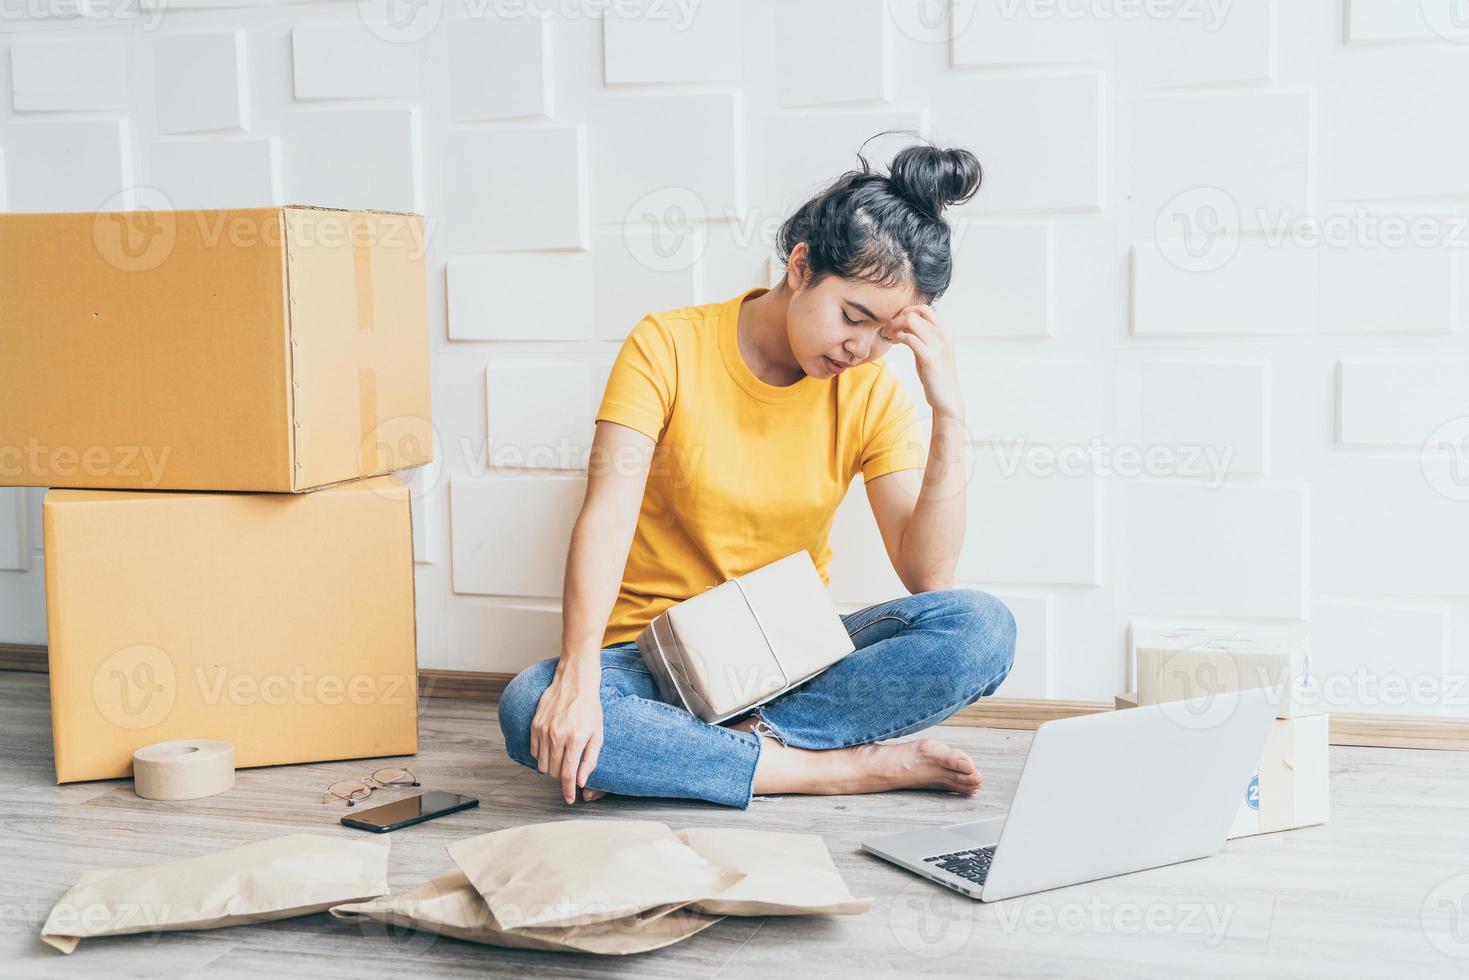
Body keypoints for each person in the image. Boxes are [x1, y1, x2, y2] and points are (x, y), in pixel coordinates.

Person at [498, 135, 1016, 809]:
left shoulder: (869, 390)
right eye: (853, 317)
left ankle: (707, 753)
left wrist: (946, 412)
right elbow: (606, 515)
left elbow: (927, 579)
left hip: (794, 662)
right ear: (800, 266)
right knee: (527, 704)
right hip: (656, 662)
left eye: (887, 336)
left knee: (981, 627)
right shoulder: (667, 344)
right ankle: (840, 768)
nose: (861, 349)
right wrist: (576, 677)